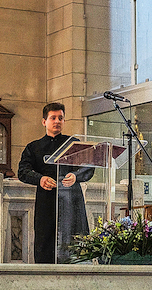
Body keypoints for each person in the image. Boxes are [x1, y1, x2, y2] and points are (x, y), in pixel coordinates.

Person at [17, 102, 94, 263]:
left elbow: (89, 167)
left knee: (74, 241)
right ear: (44, 121)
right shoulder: (34, 147)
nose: (57, 121)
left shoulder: (74, 144)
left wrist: (75, 176)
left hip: (71, 200)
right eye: (53, 118)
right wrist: (40, 179)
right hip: (47, 201)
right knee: (45, 241)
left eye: (61, 118)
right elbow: (23, 171)